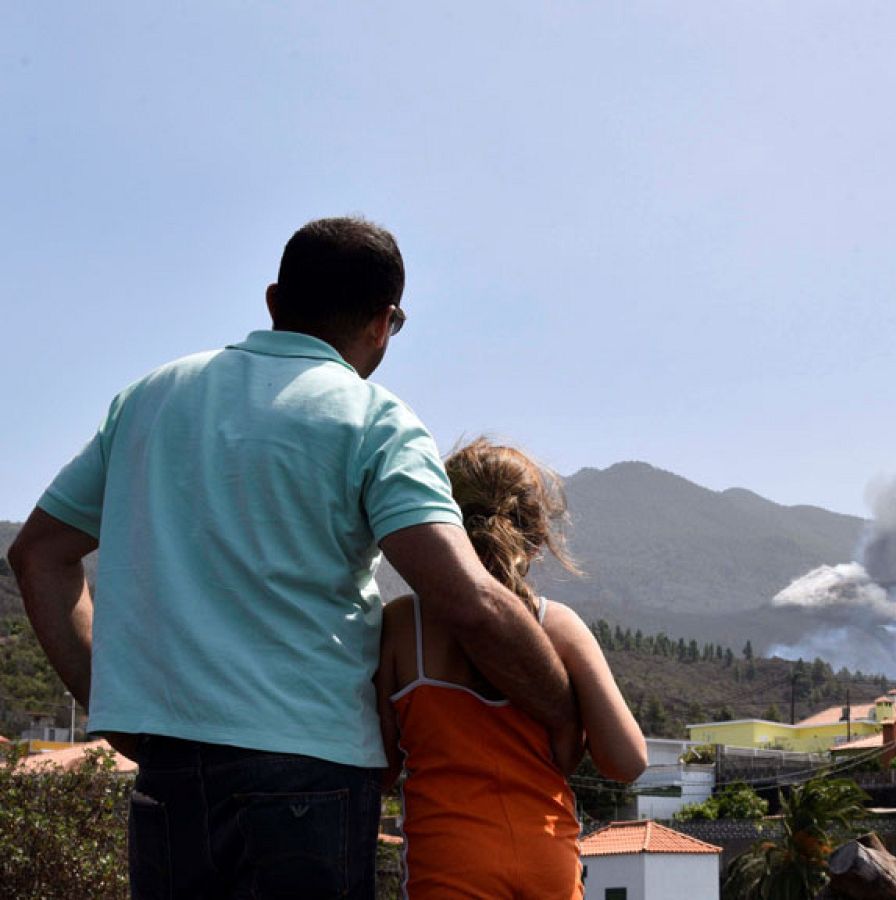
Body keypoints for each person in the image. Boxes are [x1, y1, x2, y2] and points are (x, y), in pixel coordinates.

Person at [7, 217, 577, 899]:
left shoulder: (150, 399)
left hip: (169, 773)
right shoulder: (375, 420)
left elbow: (38, 554)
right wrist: (565, 711)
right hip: (309, 774)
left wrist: (111, 701)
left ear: (275, 302)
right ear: (384, 322)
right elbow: (471, 602)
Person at [379, 439, 646, 899]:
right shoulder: (561, 628)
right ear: (539, 536)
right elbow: (627, 761)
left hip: (448, 861)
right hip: (549, 862)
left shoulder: (404, 625)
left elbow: (379, 769)